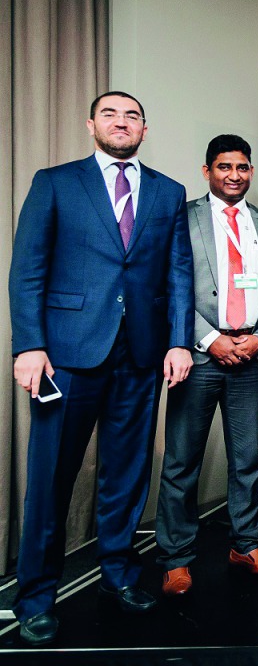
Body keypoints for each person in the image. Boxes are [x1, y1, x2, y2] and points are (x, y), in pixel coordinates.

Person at [9, 91, 193, 645]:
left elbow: (178, 274)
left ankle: (117, 576)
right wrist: (29, 345)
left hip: (139, 355)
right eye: (110, 114)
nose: (122, 122)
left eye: (132, 115)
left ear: (144, 127)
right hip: (66, 355)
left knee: (127, 473)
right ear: (92, 124)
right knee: (51, 479)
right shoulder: (55, 182)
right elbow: (27, 270)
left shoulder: (168, 191)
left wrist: (179, 343)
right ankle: (36, 596)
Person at [155, 135, 258, 596]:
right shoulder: (184, 218)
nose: (233, 175)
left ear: (250, 171)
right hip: (198, 358)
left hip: (251, 358)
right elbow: (171, 286)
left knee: (247, 458)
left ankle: (247, 544)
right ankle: (176, 558)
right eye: (223, 167)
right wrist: (211, 340)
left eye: (241, 167)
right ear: (206, 170)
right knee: (182, 461)